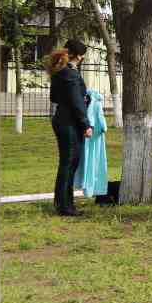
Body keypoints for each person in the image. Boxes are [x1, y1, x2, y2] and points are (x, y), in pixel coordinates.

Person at [47, 40, 92, 217]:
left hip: (61, 118)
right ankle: (65, 205)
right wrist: (85, 124)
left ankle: (64, 202)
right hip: (70, 122)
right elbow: (76, 102)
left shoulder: (59, 72)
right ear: (79, 56)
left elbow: (54, 97)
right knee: (70, 163)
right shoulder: (71, 74)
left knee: (66, 163)